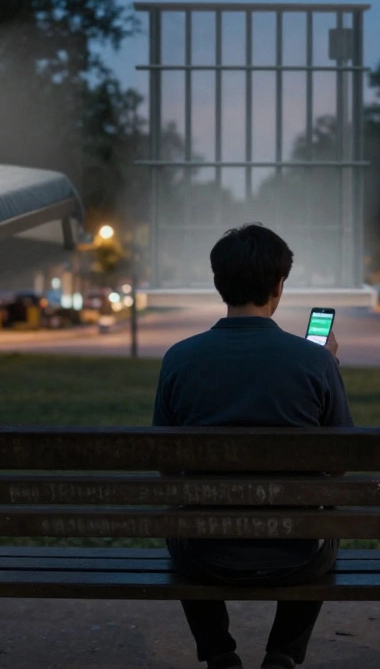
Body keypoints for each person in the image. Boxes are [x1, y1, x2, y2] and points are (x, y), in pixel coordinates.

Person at [152, 224, 354, 669]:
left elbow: (166, 470)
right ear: (279, 285)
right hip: (298, 555)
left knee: (181, 518)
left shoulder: (180, 359)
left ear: (218, 282)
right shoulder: (315, 361)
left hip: (204, 555)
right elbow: (340, 468)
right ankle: (282, 654)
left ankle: (221, 654)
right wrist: (327, 363)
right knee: (328, 520)